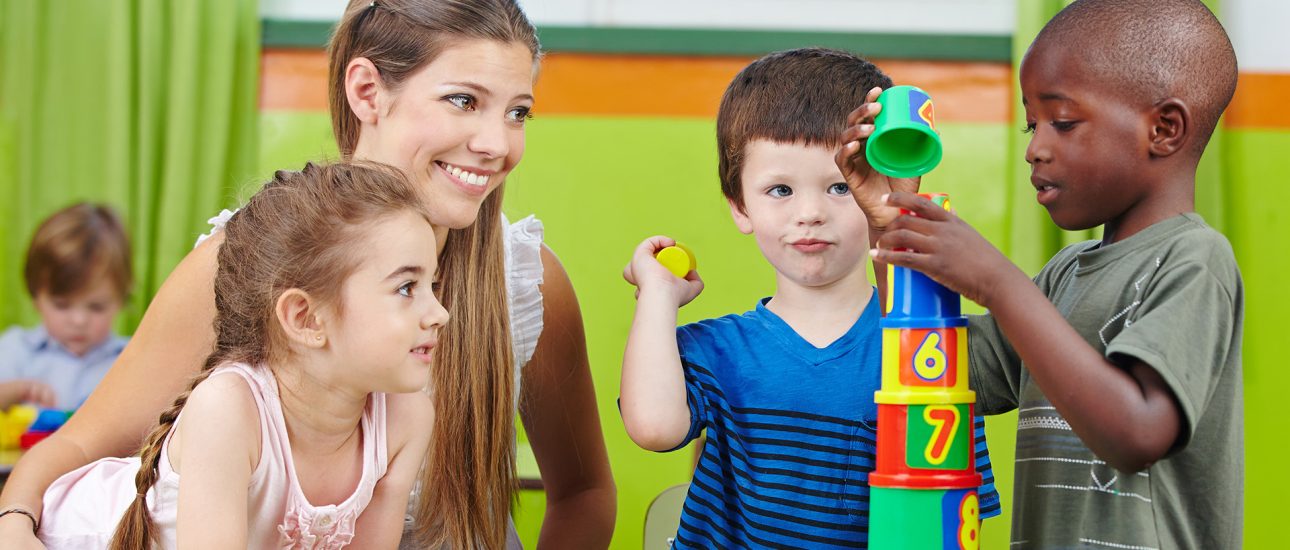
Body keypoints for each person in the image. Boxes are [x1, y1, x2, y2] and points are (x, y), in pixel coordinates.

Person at [0, 1, 615, 549]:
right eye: (464, 100)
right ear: (367, 90)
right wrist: (13, 525)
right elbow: (79, 448)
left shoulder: (528, 283)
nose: (496, 143)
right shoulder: (250, 261)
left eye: (518, 113)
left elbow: (584, 495)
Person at [839, 0, 1243, 547]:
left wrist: (997, 283)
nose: (1034, 148)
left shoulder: (1195, 261)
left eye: (1063, 122)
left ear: (1164, 129)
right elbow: (956, 377)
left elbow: (1137, 433)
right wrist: (891, 224)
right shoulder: (1064, 275)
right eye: (1033, 125)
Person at [620, 48, 1000, 548]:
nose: (810, 213)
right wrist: (657, 295)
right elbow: (653, 428)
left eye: (840, 187)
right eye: (780, 190)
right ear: (740, 206)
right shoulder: (720, 349)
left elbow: (943, 520)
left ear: (879, 191)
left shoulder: (925, 357)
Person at [34, 162, 446, 549]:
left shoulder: (406, 419)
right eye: (406, 288)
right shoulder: (229, 408)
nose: (439, 314)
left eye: (432, 285)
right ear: (305, 318)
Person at [0, 203, 132, 411]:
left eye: (96, 307)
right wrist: (14, 391)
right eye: (62, 305)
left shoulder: (130, 359)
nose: (79, 320)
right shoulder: (14, 350)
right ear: (35, 297)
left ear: (121, 299)